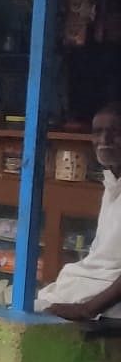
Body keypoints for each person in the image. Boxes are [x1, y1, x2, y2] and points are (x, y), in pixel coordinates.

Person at [40, 103, 121, 329]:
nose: (104, 140)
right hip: (94, 284)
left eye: (115, 132)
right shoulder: (113, 185)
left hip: (108, 301)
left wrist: (86, 309)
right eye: (98, 132)